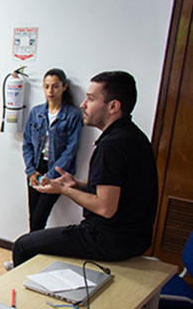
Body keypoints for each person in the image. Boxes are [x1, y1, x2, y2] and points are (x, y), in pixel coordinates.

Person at [11, 71, 158, 268]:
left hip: (109, 240)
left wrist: (64, 189)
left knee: (22, 245)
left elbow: (105, 208)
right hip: (135, 238)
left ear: (113, 106)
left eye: (91, 99)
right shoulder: (133, 136)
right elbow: (120, 189)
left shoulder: (112, 146)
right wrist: (78, 184)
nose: (83, 105)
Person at [22, 69, 82, 232]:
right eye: (46, 86)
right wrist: (31, 171)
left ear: (64, 87)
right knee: (33, 215)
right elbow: (27, 143)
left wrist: (49, 176)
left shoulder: (73, 115)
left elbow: (71, 149)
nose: (50, 91)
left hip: (58, 172)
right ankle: (32, 252)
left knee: (40, 216)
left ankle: (30, 252)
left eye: (55, 86)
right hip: (36, 168)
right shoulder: (36, 112)